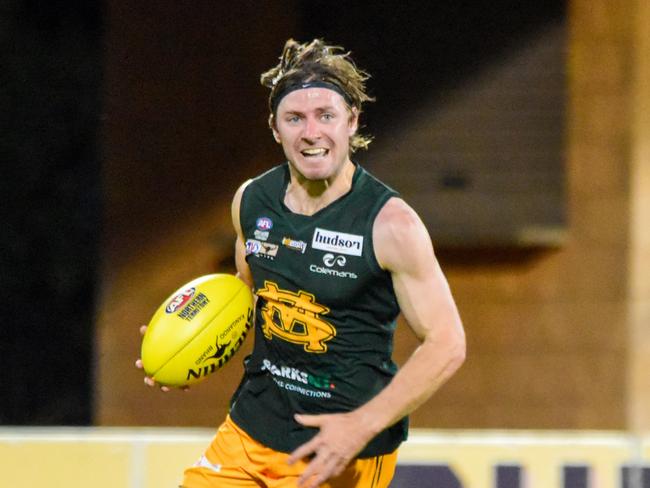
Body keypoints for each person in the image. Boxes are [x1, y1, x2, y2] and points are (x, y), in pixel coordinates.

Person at [139, 38, 465, 488]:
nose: (311, 132)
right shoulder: (251, 201)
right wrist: (187, 344)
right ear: (275, 129)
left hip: (337, 451)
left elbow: (447, 343)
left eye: (325, 116)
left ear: (352, 121)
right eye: (295, 119)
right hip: (252, 428)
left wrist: (363, 424)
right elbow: (247, 297)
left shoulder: (392, 226)